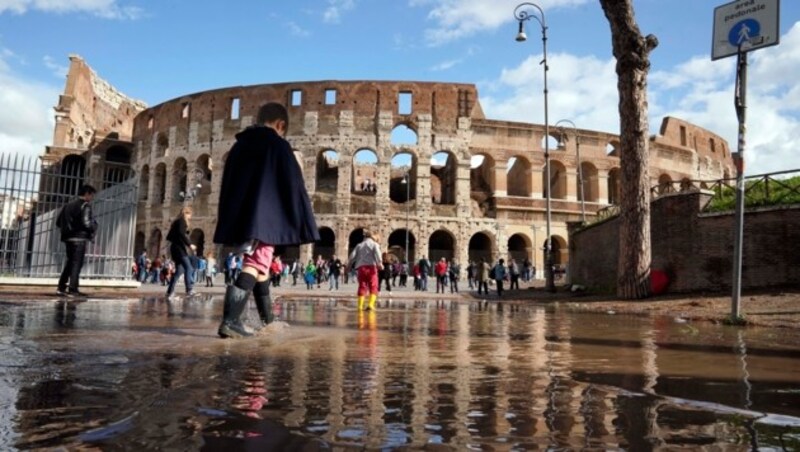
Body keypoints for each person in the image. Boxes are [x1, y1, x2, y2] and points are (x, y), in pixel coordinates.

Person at [214, 102, 319, 338]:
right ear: (280, 125)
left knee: (262, 266)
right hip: (266, 217)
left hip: (244, 215)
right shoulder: (278, 146)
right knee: (255, 264)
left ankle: (268, 320)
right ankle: (230, 321)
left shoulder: (239, 146)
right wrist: (299, 216)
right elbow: (293, 186)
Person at [56, 184, 98, 297]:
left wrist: (69, 230)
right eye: (92, 195)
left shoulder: (67, 205)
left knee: (70, 263)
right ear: (87, 194)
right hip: (79, 239)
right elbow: (86, 223)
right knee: (76, 264)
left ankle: (61, 287)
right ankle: (73, 289)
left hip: (68, 239)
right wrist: (94, 226)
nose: (92, 198)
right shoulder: (86, 206)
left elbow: (58, 222)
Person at [165, 206, 196, 299]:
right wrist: (190, 244)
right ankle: (189, 290)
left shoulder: (176, 222)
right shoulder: (182, 221)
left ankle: (169, 292)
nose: (190, 217)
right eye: (190, 214)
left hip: (175, 248)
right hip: (179, 249)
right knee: (189, 268)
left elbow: (169, 237)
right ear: (186, 213)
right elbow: (181, 234)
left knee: (179, 272)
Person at [349, 230, 383, 311]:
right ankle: (370, 305)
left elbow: (352, 256)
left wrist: (349, 264)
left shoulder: (359, 245)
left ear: (364, 237)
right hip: (372, 268)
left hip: (361, 268)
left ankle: (360, 306)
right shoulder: (375, 244)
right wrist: (380, 263)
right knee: (373, 286)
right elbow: (378, 254)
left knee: (362, 286)